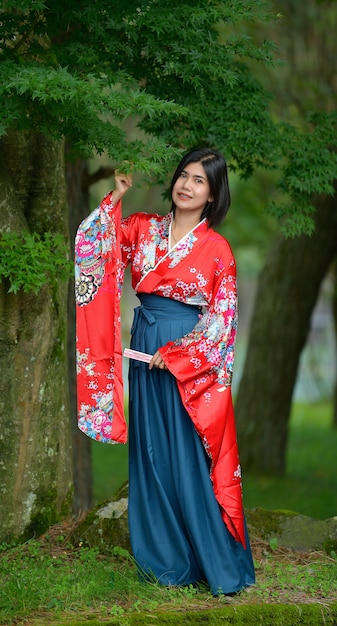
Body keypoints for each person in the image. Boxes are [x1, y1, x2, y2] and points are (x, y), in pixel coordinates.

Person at [74, 147, 255, 595]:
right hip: (144, 345)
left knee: (188, 457)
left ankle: (214, 562)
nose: (187, 185)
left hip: (186, 361)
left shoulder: (217, 250)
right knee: (151, 453)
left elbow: (222, 320)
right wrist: (113, 199)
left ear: (212, 196)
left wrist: (178, 354)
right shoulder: (144, 229)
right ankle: (165, 564)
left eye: (199, 181)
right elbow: (98, 247)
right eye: (184, 176)